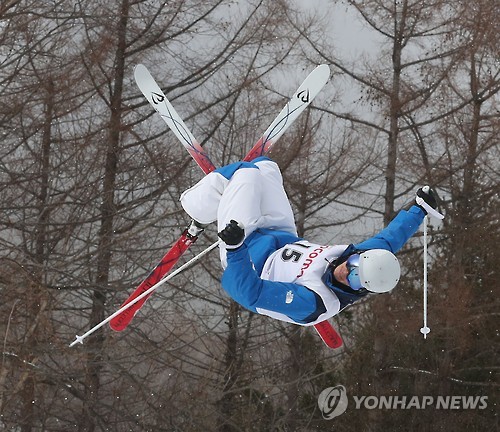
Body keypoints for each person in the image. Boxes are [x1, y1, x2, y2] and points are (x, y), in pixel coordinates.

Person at [180, 156, 441, 326]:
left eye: (353, 278)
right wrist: (420, 209)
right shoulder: (367, 259)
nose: (345, 270)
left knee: (245, 173)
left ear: (363, 289)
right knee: (266, 167)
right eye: (353, 263)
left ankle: (196, 210)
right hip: (281, 235)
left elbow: (249, 294)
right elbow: (391, 239)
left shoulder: (313, 301)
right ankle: (229, 190)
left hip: (245, 251)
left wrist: (235, 248)